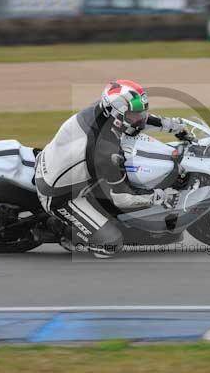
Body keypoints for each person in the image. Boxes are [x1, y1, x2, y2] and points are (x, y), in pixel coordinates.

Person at [34, 79, 188, 258]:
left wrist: (173, 126)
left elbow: (138, 121)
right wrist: (159, 198)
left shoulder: (103, 111)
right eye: (134, 115)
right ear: (116, 114)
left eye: (141, 112)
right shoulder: (105, 152)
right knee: (110, 245)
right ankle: (63, 228)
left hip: (62, 162)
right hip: (59, 193)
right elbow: (122, 199)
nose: (140, 118)